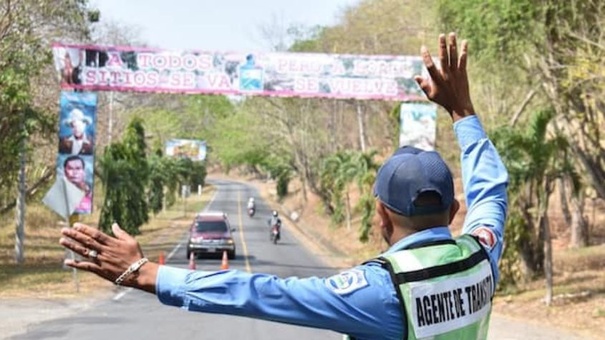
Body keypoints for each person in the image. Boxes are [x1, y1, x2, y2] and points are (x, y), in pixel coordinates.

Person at [59, 33, 508, 339]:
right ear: (453, 212)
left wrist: (149, 272)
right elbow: (491, 191)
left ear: (381, 213)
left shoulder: (384, 289)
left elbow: (262, 294)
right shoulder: (481, 253)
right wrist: (461, 110)